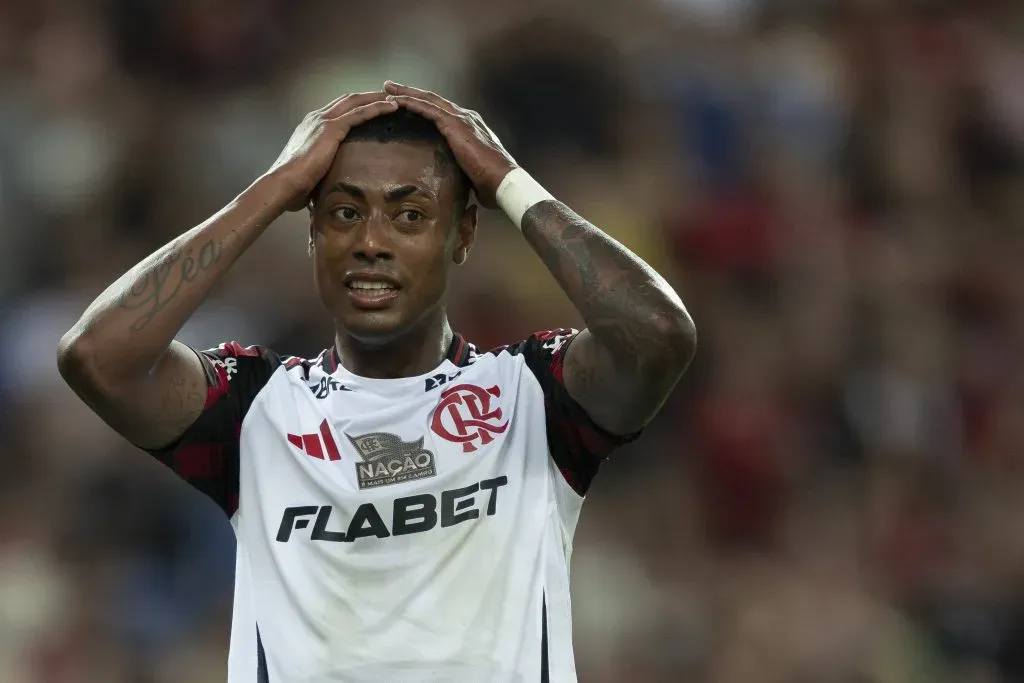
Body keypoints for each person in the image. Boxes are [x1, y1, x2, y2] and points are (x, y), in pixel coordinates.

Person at [57, 83, 697, 683]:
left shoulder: (533, 395)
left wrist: (506, 180)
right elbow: (98, 357)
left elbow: (658, 333)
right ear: (312, 232)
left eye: (410, 215)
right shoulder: (256, 408)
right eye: (342, 213)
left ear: (462, 234)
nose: (371, 242)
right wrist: (274, 188)